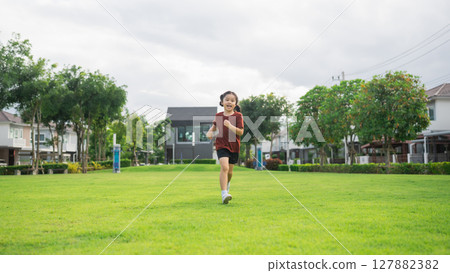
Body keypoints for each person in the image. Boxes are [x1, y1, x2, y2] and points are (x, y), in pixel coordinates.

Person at [207, 91, 244, 204]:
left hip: (234, 146)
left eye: (232, 100)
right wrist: (209, 132)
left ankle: (227, 184)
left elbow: (241, 132)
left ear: (235, 104)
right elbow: (214, 127)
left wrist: (230, 125)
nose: (229, 102)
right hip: (221, 145)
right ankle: (224, 193)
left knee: (230, 171)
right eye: (227, 99)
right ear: (222, 102)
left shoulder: (238, 116)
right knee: (224, 167)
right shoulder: (218, 116)